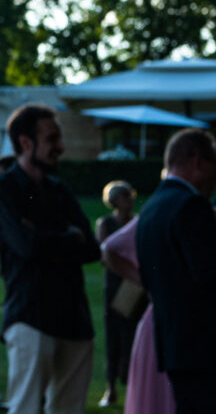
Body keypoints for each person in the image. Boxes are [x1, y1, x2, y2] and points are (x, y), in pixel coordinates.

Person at [0, 103, 100, 414]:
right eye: (52, 139)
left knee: (69, 409)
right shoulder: (1, 188)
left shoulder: (59, 190)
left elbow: (91, 249)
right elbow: (26, 246)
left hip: (74, 318)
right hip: (30, 315)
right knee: (25, 408)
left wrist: (45, 237)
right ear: (25, 142)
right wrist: (66, 237)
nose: (60, 147)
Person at [135, 129, 216, 414]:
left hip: (174, 347)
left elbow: (146, 278)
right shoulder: (192, 205)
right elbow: (208, 276)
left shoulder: (150, 209)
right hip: (206, 348)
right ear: (197, 161)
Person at [100, 216, 174, 414]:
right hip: (162, 318)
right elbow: (109, 248)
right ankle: (111, 386)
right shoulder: (168, 209)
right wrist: (149, 282)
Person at [97, 180, 137, 407]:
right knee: (113, 336)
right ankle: (111, 387)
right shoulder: (106, 223)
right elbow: (104, 255)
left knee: (131, 336)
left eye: (130, 196)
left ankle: (132, 384)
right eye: (124, 196)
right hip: (114, 286)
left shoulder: (136, 222)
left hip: (133, 287)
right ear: (114, 201)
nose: (129, 201)